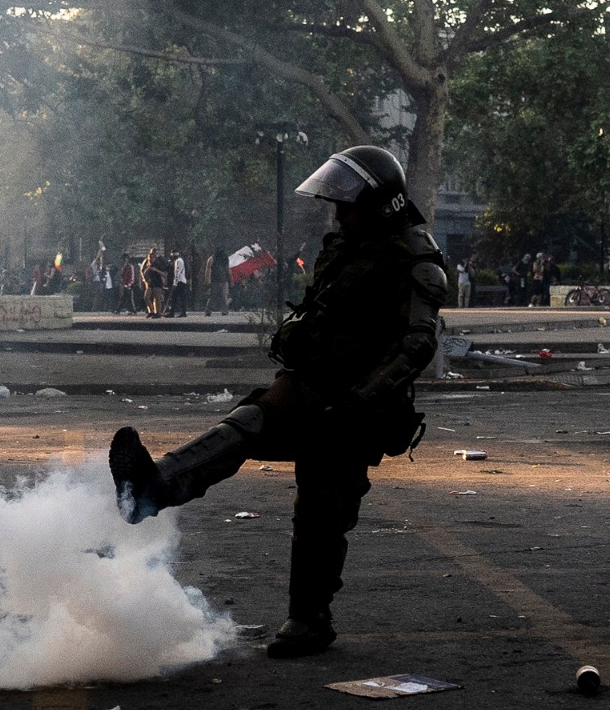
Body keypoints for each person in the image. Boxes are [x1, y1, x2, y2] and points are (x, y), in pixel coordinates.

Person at [109, 145, 446, 658]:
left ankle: (309, 619)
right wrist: (294, 333)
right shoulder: (344, 243)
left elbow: (417, 344)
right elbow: (319, 309)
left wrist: (360, 402)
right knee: (246, 422)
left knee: (321, 506)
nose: (337, 213)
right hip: (310, 383)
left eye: (347, 204)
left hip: (358, 407)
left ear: (378, 204)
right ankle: (153, 489)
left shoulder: (414, 257)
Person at [169, 250, 189, 317]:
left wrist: (175, 283)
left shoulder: (178, 261)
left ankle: (172, 312)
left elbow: (177, 272)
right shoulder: (181, 260)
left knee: (175, 298)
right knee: (182, 298)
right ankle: (183, 312)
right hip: (182, 281)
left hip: (179, 282)